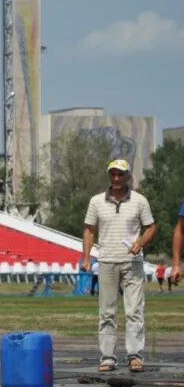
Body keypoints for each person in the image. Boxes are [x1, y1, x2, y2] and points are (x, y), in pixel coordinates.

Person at [81, 159, 155, 374]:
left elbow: (151, 227)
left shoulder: (140, 200)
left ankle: (135, 356)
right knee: (107, 312)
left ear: (128, 176)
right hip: (106, 261)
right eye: (112, 174)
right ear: (109, 176)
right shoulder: (96, 201)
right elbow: (88, 229)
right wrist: (86, 257)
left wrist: (139, 243)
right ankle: (107, 357)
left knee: (134, 310)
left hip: (132, 262)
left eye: (120, 174)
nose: (116, 178)